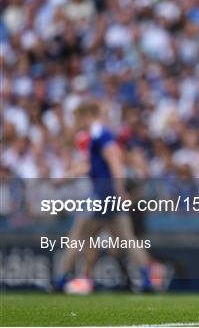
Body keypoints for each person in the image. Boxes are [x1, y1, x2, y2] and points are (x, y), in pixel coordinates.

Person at [54, 100, 154, 293]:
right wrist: (69, 176)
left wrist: (120, 189)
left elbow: (114, 160)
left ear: (85, 115)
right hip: (109, 194)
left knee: (77, 236)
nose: (77, 123)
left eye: (77, 118)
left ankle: (61, 279)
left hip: (102, 194)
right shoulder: (98, 135)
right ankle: (146, 278)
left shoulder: (100, 133)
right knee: (127, 239)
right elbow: (93, 165)